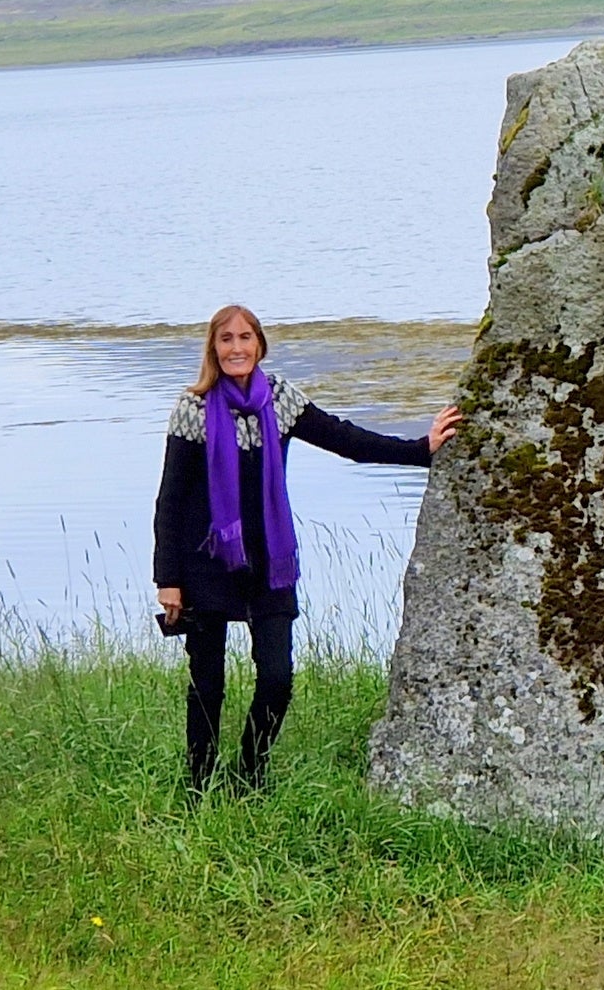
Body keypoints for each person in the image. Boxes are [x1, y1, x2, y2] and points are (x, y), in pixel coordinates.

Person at [153, 304, 463, 793]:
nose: (237, 348)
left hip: (270, 564)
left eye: (246, 338)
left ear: (260, 345)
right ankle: (198, 787)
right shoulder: (192, 410)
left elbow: (346, 439)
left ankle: (250, 774)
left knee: (277, 681)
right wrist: (167, 580)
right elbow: (170, 501)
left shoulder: (280, 401)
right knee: (207, 688)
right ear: (214, 349)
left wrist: (419, 449)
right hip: (206, 562)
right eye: (226, 340)